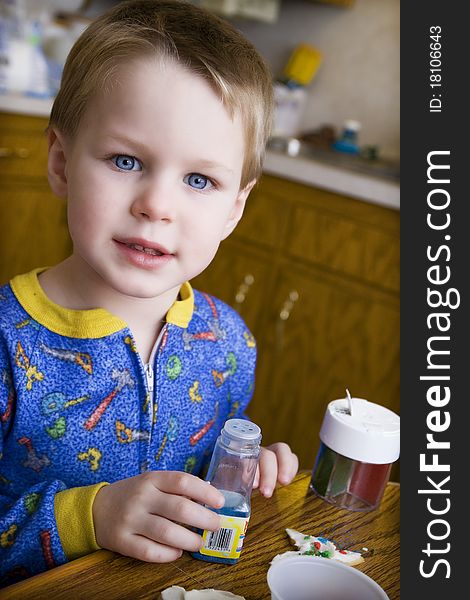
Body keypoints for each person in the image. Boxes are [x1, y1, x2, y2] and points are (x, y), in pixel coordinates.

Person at [0, 0, 298, 585]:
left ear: (235, 208)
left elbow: (205, 484)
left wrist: (243, 473)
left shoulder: (229, 341)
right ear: (61, 163)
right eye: (126, 159)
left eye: (198, 180)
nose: (157, 206)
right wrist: (90, 516)